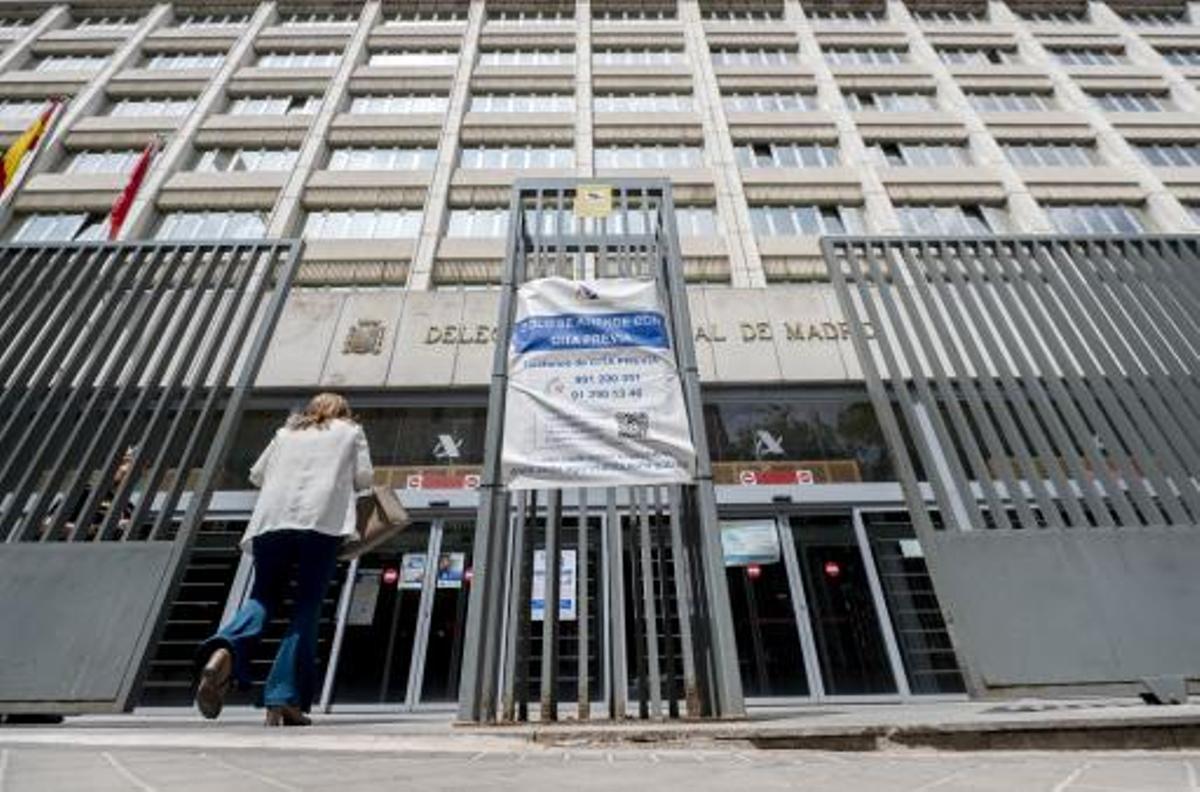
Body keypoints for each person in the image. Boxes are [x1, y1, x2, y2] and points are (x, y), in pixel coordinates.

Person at [194, 393, 373, 726]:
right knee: (306, 608)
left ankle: (226, 649)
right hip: (320, 524)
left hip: (271, 522)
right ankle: (283, 697)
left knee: (262, 596)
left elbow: (257, 475)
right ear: (343, 411)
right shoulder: (350, 431)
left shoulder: (285, 433)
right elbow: (364, 479)